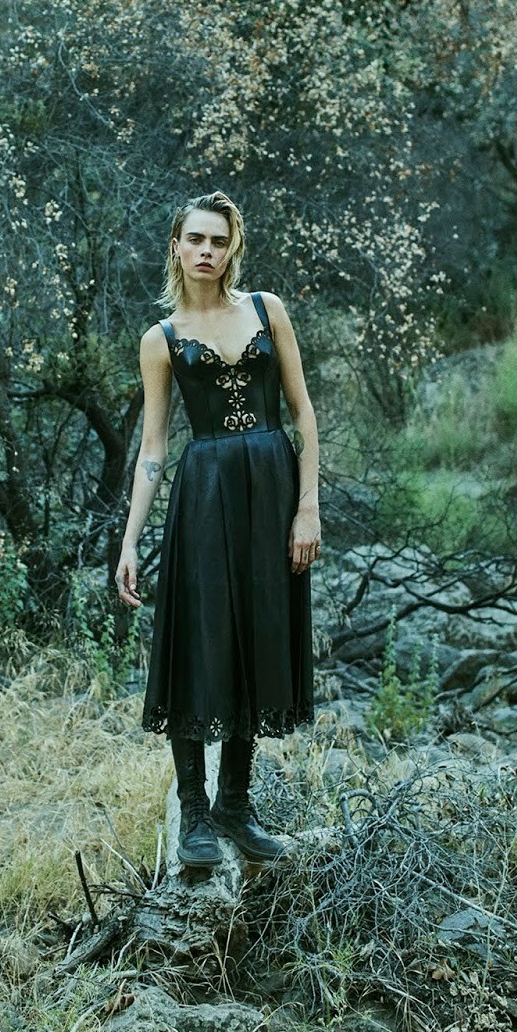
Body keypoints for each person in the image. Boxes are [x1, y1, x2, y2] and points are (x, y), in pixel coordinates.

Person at [115, 190, 319, 868]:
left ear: (233, 249)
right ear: (176, 246)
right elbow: (152, 447)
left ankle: (236, 802)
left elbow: (303, 415)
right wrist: (130, 540)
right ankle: (195, 813)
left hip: (272, 489)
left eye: (219, 241)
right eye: (196, 239)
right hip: (203, 494)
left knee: (256, 632)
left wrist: (308, 508)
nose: (207, 250)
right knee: (202, 636)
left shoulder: (266, 310)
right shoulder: (161, 339)